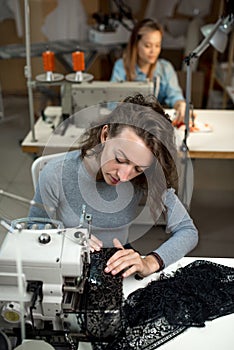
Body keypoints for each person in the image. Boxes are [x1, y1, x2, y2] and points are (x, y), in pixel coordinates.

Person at [29, 94, 198, 279]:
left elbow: (187, 231)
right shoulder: (56, 174)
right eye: (120, 159)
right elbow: (32, 229)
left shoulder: (145, 179)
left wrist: (151, 261)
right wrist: (61, 237)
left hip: (117, 261)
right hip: (65, 257)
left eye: (138, 168)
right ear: (105, 135)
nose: (124, 176)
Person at [110, 18, 186, 124]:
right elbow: (112, 102)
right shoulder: (121, 66)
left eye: (157, 45)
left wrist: (181, 105)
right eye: (147, 46)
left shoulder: (165, 68)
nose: (153, 51)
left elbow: (175, 95)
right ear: (136, 45)